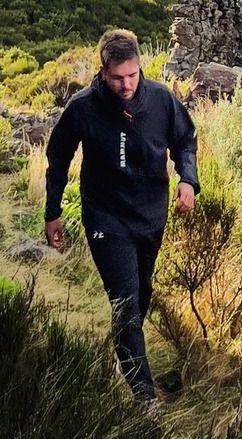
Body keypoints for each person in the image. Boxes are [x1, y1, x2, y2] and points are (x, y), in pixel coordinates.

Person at [42, 28, 198, 403]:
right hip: (105, 217)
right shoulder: (82, 107)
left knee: (142, 292)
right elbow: (58, 160)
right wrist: (53, 212)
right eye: (117, 78)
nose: (126, 84)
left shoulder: (161, 99)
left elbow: (185, 140)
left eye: (132, 75)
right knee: (125, 300)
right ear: (102, 71)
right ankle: (143, 398)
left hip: (150, 213)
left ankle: (126, 355)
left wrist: (188, 180)